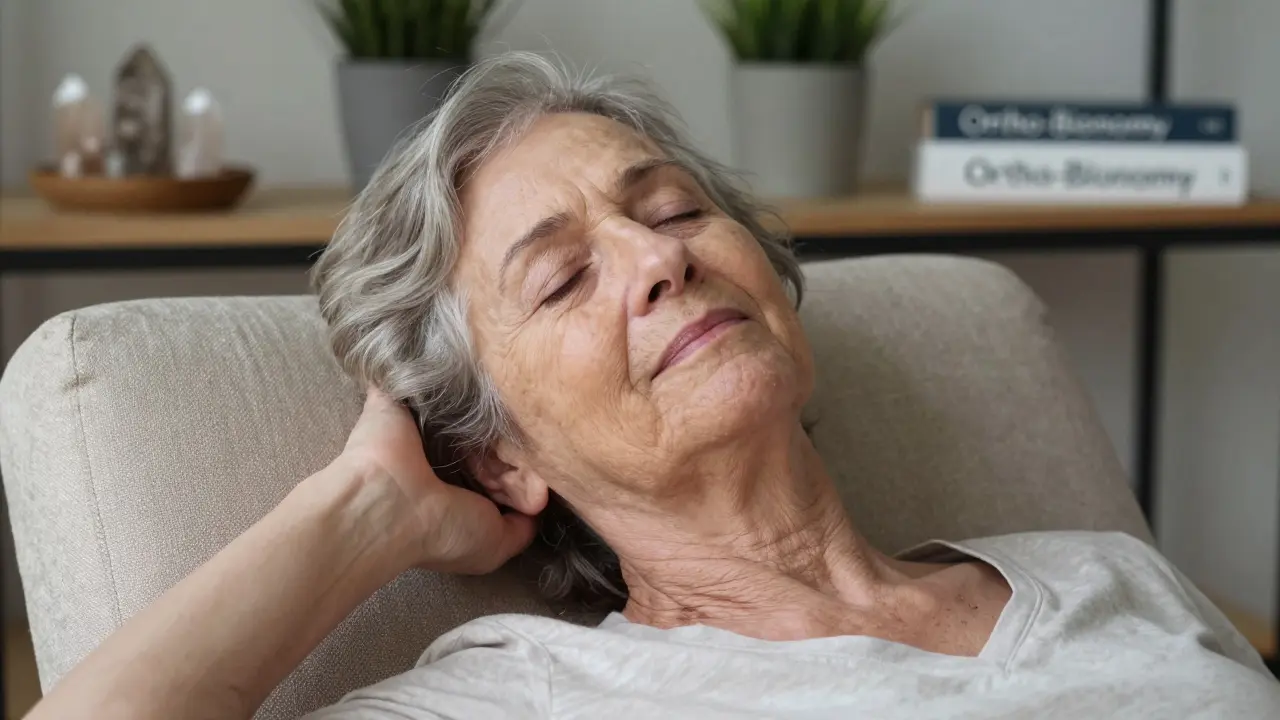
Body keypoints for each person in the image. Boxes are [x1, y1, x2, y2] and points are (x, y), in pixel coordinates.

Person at [27, 52, 1279, 720]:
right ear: (504, 455)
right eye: (563, 279)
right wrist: (366, 506)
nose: (659, 257)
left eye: (672, 208)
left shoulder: (1108, 573)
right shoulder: (531, 699)